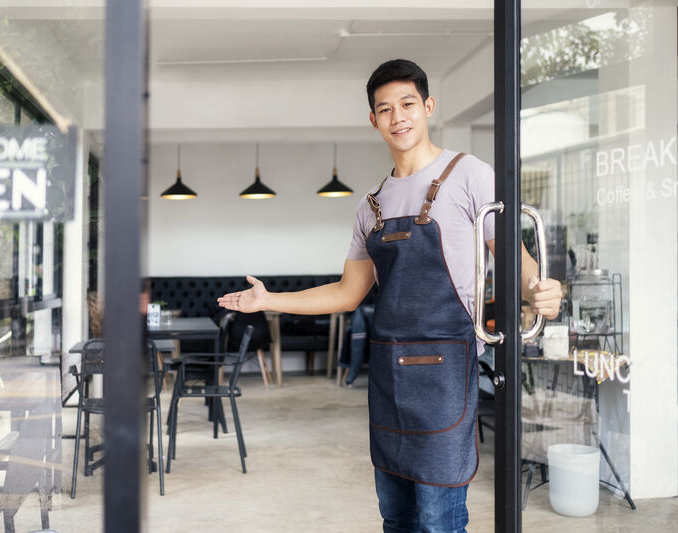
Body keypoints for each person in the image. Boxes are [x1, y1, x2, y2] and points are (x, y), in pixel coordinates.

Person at [217, 59, 561, 533]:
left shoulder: (470, 176)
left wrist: (542, 288)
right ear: (373, 120)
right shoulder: (371, 205)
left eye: (408, 104)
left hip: (446, 374)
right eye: (386, 109)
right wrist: (270, 300)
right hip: (389, 376)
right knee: (396, 517)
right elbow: (347, 293)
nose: (398, 117)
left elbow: (514, 258)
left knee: (440, 520)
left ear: (428, 107)